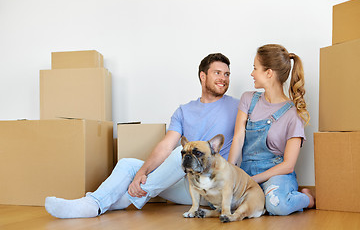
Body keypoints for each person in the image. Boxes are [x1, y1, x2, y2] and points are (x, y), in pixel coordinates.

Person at [45, 53, 240, 218]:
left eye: (227, 74)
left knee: (180, 151)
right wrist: (142, 173)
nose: (223, 78)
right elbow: (165, 147)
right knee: (128, 164)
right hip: (188, 186)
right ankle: (93, 203)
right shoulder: (184, 111)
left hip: (214, 187)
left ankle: (114, 201)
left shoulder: (238, 107)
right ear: (203, 76)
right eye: (217, 73)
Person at [227, 44, 315, 216]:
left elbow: (288, 165)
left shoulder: (292, 114)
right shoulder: (248, 99)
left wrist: (252, 181)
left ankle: (308, 199)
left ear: (269, 73)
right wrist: (229, 174)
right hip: (246, 171)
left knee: (277, 205)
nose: (252, 73)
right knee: (223, 204)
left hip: (276, 175)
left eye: (255, 68)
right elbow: (238, 138)